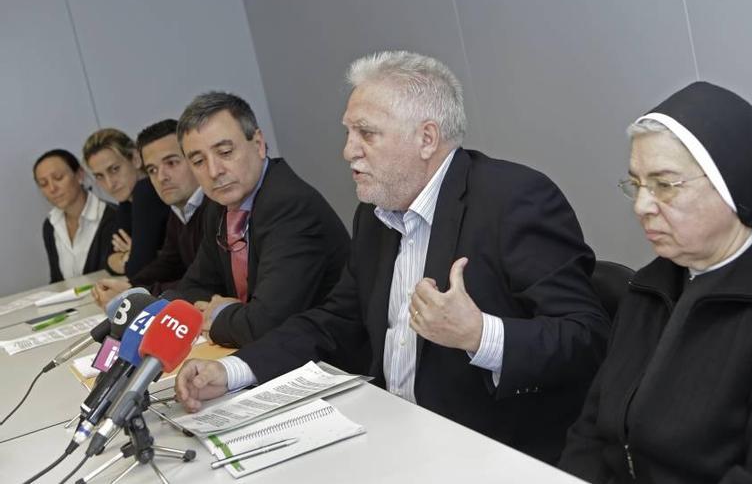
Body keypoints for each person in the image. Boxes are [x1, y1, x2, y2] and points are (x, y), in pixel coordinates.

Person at [175, 51, 609, 463]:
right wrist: (234, 371)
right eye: (348, 133)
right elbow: (335, 322)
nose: (348, 150)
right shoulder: (375, 216)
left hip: (488, 447)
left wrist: (479, 334)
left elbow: (586, 338)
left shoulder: (514, 200)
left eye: (366, 133)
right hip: (392, 433)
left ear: (426, 138)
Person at [558, 82, 752, 483]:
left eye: (664, 185)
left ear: (733, 185)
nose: (642, 206)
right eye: (637, 185)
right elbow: (592, 432)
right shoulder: (650, 287)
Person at [171, 91, 350, 348]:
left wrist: (223, 314)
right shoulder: (218, 205)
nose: (214, 171)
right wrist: (234, 313)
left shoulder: (289, 206)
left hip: (329, 363)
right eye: (199, 161)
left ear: (258, 144)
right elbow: (189, 289)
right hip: (273, 355)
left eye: (224, 152)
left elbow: (265, 323)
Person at [91, 119, 206, 306]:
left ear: (196, 159)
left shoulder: (217, 206)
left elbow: (206, 283)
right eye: (152, 169)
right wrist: (131, 286)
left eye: (171, 163)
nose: (161, 177)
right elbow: (169, 262)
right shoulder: (178, 210)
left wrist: (134, 292)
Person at [83, 127, 169, 276]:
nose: (110, 184)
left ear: (135, 159)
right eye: (99, 176)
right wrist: (131, 258)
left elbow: (139, 267)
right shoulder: (126, 203)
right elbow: (108, 260)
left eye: (114, 169)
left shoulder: (145, 190)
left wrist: (133, 256)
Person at [34, 149, 117, 283]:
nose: (52, 188)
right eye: (43, 184)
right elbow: (57, 282)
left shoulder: (113, 217)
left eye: (58, 178)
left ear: (79, 175)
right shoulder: (50, 225)